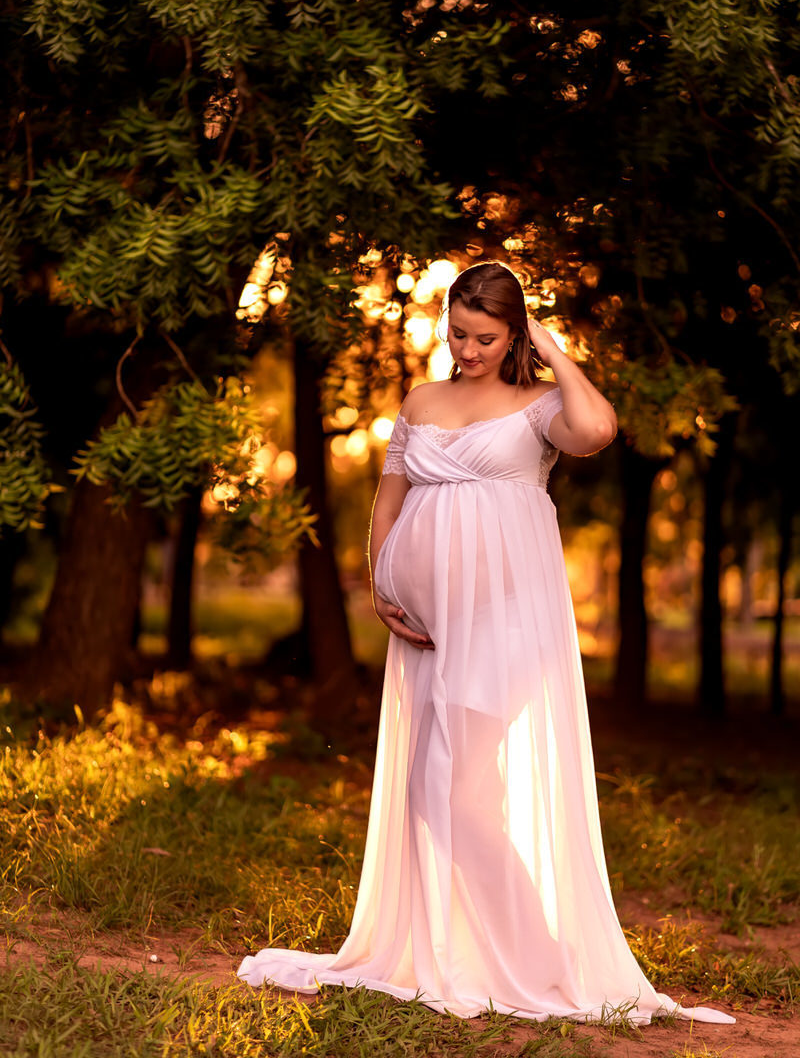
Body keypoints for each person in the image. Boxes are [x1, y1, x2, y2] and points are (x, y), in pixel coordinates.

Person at [237, 262, 735, 1027]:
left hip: (505, 625)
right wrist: (382, 583)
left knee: (453, 788)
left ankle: (541, 962)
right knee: (435, 790)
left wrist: (553, 348)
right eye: (458, 333)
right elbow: (391, 494)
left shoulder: (539, 407)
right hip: (431, 627)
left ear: (515, 335)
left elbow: (598, 430)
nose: (467, 349)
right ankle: (487, 949)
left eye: (486, 337)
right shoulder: (423, 399)